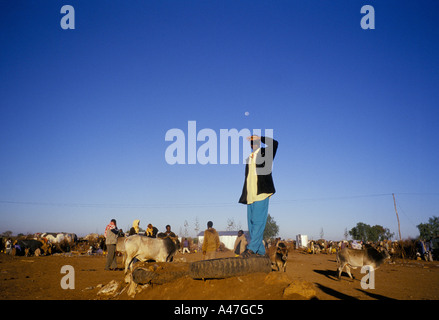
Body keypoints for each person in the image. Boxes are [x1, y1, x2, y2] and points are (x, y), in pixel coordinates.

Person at [239, 135, 278, 258]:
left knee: (258, 222)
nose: (254, 144)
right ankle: (260, 251)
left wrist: (260, 137)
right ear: (250, 145)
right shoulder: (249, 158)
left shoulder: (265, 154)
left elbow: (274, 144)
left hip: (261, 193)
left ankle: (251, 249)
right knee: (251, 225)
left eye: (256, 142)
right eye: (252, 142)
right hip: (250, 195)